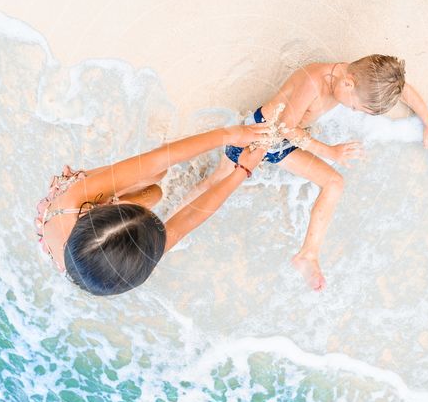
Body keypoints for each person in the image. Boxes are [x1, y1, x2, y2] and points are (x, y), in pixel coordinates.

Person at [182, 55, 428, 291]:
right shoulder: (313, 80)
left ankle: (308, 256)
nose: (352, 110)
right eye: (355, 106)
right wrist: (331, 152)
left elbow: (401, 89)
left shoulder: (364, 78)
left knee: (334, 183)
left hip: (286, 142)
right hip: (261, 134)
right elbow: (285, 128)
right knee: (216, 183)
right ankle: (173, 220)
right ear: (348, 83)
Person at [36, 125, 269, 296]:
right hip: (92, 251)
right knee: (155, 194)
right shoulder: (131, 258)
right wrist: (240, 172)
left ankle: (134, 192)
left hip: (70, 209)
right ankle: (212, 176)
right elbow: (187, 219)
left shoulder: (78, 198)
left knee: (156, 176)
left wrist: (231, 135)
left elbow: (159, 158)